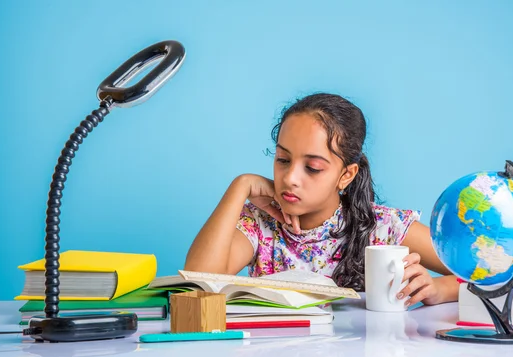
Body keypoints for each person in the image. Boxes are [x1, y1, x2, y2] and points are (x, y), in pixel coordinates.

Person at [184, 93, 458, 306]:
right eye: (282, 160)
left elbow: (491, 275)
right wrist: (240, 186)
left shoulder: (382, 227)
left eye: (312, 167)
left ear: (346, 175)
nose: (290, 177)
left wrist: (440, 289)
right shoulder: (261, 223)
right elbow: (200, 285)